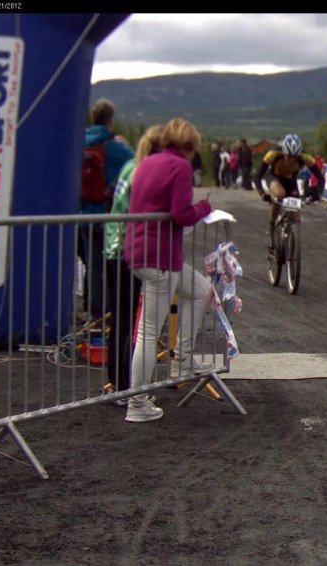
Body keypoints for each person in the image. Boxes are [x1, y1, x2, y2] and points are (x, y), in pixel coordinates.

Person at [124, 117, 213, 423]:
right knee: (149, 332)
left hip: (142, 252)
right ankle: (136, 403)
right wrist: (204, 208)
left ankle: (182, 360)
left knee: (202, 291)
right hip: (160, 257)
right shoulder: (180, 167)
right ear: (190, 146)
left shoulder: (148, 162)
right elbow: (181, 214)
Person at [103, 125, 163, 402]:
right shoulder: (142, 172)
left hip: (113, 247)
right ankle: (123, 385)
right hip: (126, 250)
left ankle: (118, 381)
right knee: (127, 320)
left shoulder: (129, 166)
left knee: (120, 318)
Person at [80, 98, 135, 322]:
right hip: (109, 214)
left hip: (84, 213)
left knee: (92, 264)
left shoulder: (80, 142)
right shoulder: (114, 147)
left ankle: (94, 310)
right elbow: (138, 163)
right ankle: (111, 313)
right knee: (113, 265)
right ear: (111, 120)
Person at [255, 133, 323, 254]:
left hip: (290, 180)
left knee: (296, 215)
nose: (291, 159)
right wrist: (262, 193)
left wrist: (317, 193)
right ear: (283, 151)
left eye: (294, 157)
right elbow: (258, 176)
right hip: (274, 177)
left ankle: (290, 246)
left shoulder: (305, 157)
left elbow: (321, 178)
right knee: (279, 194)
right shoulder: (273, 154)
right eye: (289, 156)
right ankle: (271, 228)